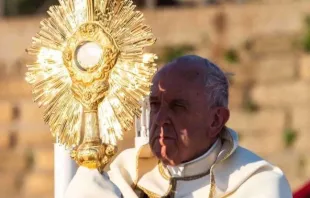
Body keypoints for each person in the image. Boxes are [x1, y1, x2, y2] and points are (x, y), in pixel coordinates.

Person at [65, 55, 292, 198]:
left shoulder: (259, 184)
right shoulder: (123, 175)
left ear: (215, 120)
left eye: (178, 107)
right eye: (155, 105)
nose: (160, 118)